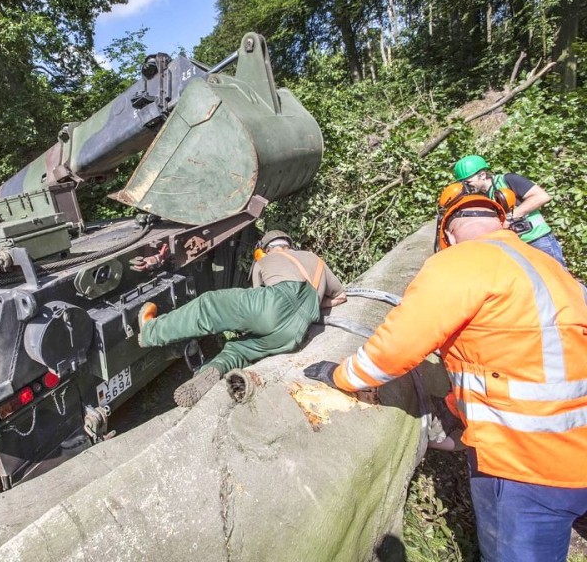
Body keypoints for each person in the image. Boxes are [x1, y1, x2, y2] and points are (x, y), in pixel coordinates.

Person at [305, 184, 587, 562]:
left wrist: (341, 376)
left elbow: (396, 348)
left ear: (448, 232)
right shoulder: (549, 267)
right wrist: (456, 408)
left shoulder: (461, 262)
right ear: (501, 220)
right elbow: (524, 355)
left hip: (525, 464)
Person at [138, 230, 347, 407]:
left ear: (265, 248)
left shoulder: (265, 259)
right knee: (239, 350)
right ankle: (212, 370)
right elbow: (340, 296)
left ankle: (150, 331)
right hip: (295, 330)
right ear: (289, 245)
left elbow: (260, 303)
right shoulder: (314, 260)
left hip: (273, 305)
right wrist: (311, 306)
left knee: (209, 306)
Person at [453, 154, 566, 267]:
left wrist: (512, 217)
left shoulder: (508, 180)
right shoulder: (480, 198)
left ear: (482, 175)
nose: (467, 187)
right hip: (515, 247)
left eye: (468, 182)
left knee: (560, 280)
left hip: (538, 240)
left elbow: (542, 196)